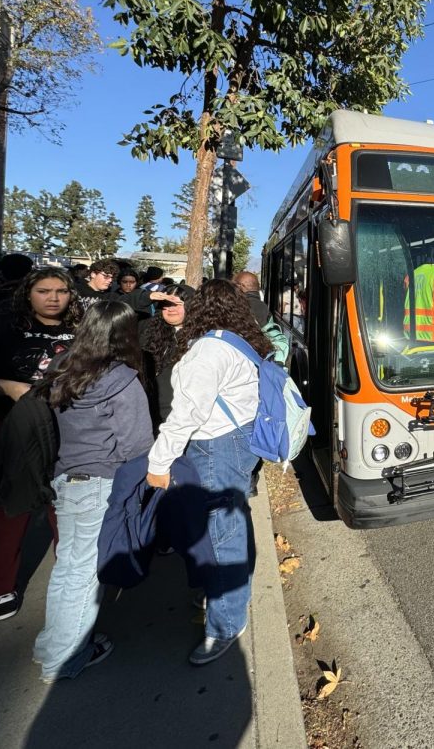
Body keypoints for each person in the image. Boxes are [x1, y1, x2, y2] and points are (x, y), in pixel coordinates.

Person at [145, 279, 271, 665]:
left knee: (221, 534)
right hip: (241, 439)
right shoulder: (239, 340)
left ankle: (226, 624)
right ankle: (230, 596)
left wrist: (158, 461)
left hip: (215, 446)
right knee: (232, 524)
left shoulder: (207, 351)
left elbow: (186, 415)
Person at [31, 301, 153, 683]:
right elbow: (138, 445)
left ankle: (51, 644)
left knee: (67, 567)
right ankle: (64, 658)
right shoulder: (123, 381)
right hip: (102, 482)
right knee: (85, 575)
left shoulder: (61, 368)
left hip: (65, 479)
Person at [0, 267, 79, 621]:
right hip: (11, 428)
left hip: (67, 427)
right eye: (44, 290)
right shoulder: (2, 327)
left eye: (61, 291)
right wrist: (9, 388)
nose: (54, 297)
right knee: (9, 507)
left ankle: (73, 581)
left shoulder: (81, 331)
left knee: (65, 506)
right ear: (28, 293)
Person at [138, 284, 194, 430]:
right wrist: (147, 297)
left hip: (183, 420)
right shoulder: (148, 331)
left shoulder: (201, 339)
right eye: (166, 304)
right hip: (149, 415)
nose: (171, 309)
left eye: (177, 304)